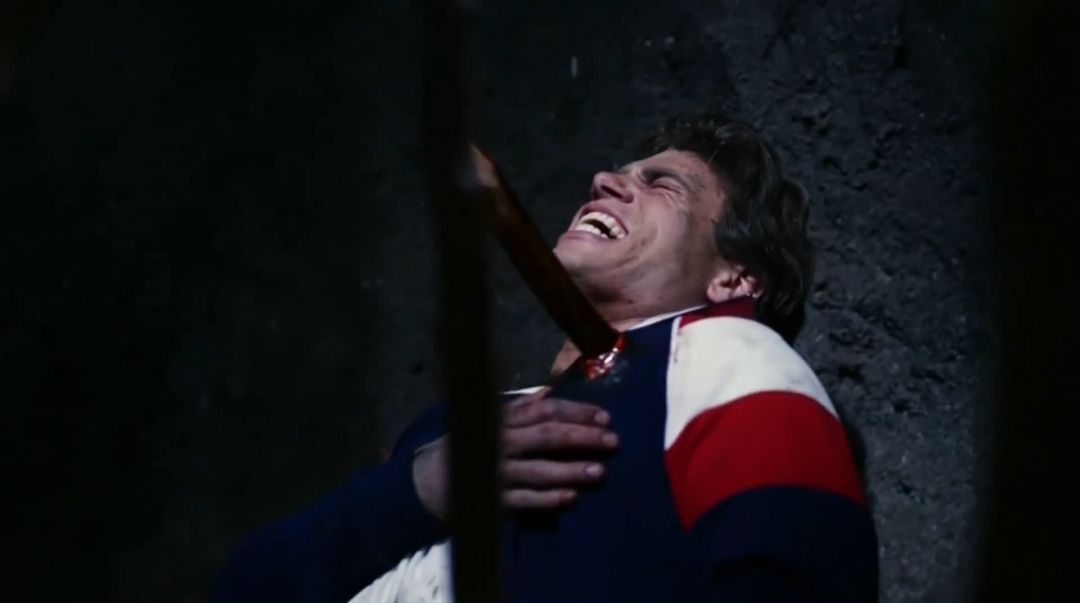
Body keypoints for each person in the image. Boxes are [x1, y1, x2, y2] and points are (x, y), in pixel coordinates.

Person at [213, 114, 878, 603]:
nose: (605, 180)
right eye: (620, 172)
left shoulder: (730, 362)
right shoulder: (451, 430)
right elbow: (243, 590)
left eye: (663, 184)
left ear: (735, 277)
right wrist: (416, 489)